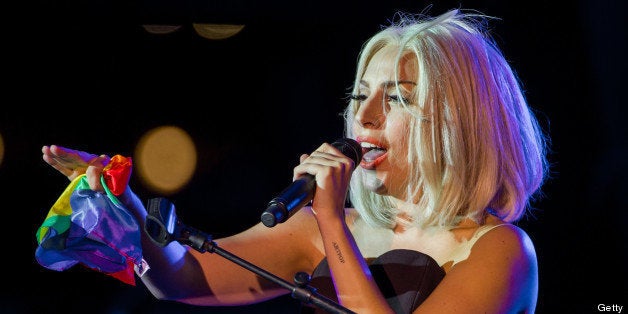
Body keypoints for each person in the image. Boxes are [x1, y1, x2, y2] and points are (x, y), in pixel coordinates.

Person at [41, 8, 549, 314]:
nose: (363, 118)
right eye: (359, 95)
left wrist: (330, 221)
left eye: (396, 99)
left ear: (457, 124)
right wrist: (120, 200)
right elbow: (181, 279)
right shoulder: (316, 229)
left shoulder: (500, 252)